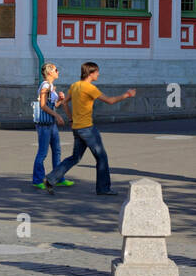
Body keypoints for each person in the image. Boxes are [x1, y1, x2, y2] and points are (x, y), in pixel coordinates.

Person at [42, 61, 135, 196]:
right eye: (96, 72)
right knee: (101, 157)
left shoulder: (75, 86)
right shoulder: (90, 88)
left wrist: (70, 118)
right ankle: (103, 188)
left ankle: (51, 179)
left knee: (75, 157)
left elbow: (64, 102)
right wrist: (127, 95)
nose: (98, 74)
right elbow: (110, 101)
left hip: (76, 128)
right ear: (91, 73)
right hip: (87, 129)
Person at [32, 61, 71, 188]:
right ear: (49, 72)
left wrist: (60, 99)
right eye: (56, 70)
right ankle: (38, 180)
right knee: (43, 153)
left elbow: (54, 105)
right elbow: (43, 105)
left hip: (50, 123)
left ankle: (58, 177)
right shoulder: (45, 86)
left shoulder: (50, 86)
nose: (58, 72)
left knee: (57, 151)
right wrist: (57, 115)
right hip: (44, 124)